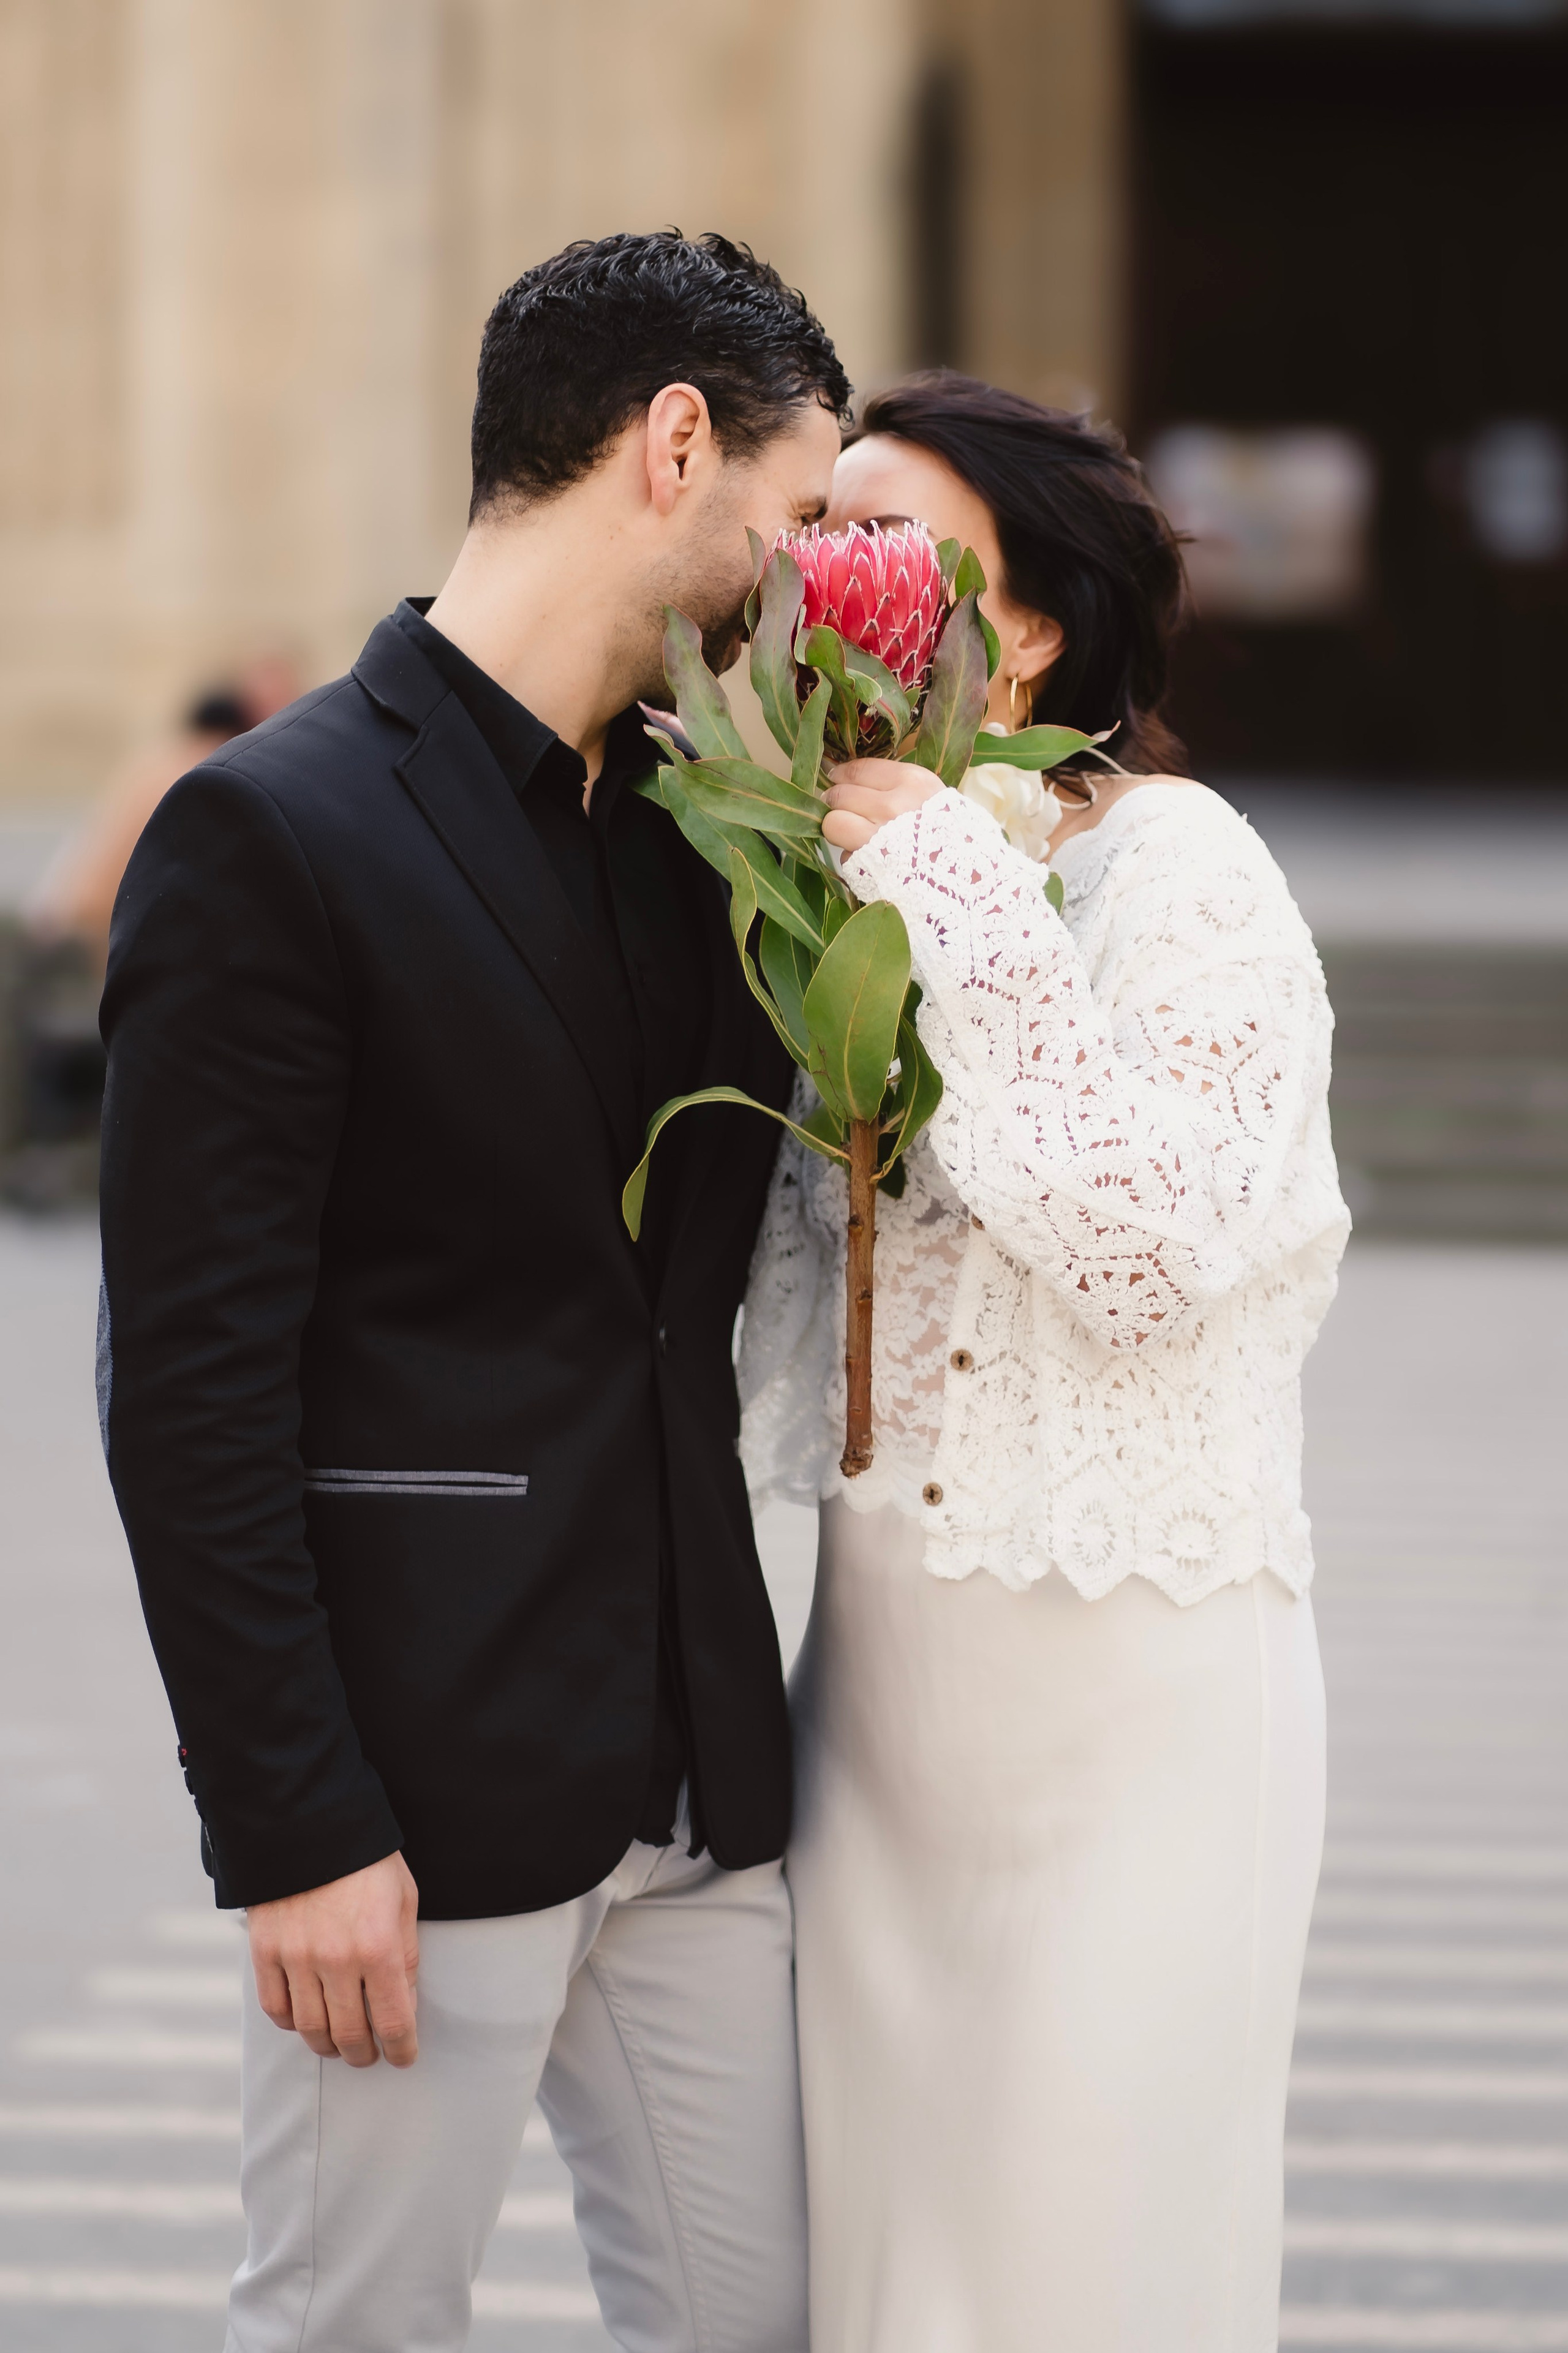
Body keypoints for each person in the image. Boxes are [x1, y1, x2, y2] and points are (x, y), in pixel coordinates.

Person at [97, 231, 848, 2353]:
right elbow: (190, 1380)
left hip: (698, 1769)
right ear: (671, 443)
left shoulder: (712, 838)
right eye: (793, 517)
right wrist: (294, 1819)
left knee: (768, 2319)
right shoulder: (274, 830)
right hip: (410, 1800)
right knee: (353, 2327)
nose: (794, 577)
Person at [739, 372, 1351, 2352]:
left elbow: (1145, 1249)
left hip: (1133, 1714)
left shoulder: (1183, 873)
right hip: (884, 1715)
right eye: (810, 542)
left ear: (1023, 628)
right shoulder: (805, 883)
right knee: (896, 2284)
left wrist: (960, 890)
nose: (831, 584)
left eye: (889, 548)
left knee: (1091, 2277)